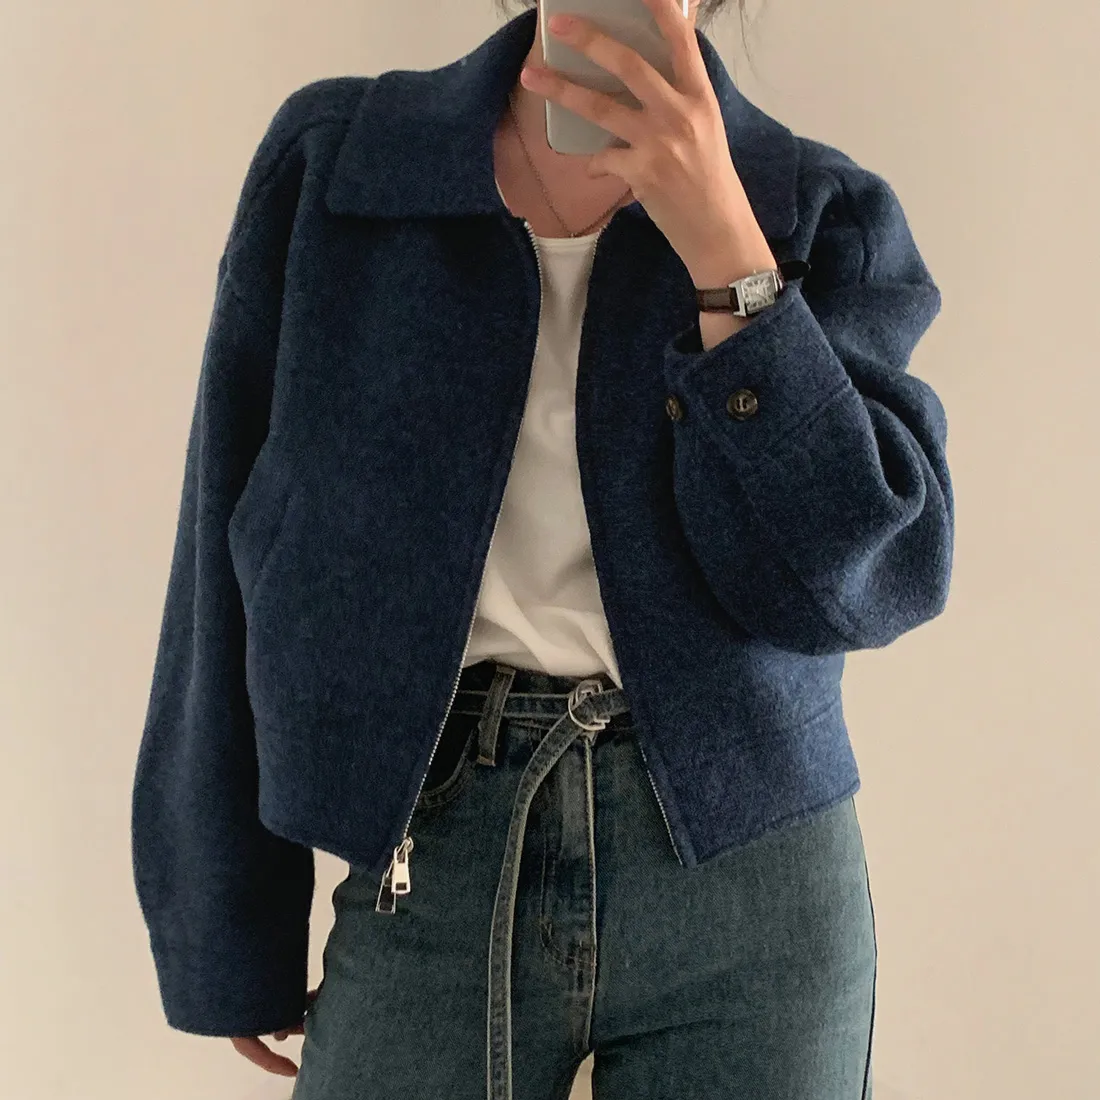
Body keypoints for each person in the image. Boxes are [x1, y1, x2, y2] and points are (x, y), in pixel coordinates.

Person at [130, 2, 953, 1098]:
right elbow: (222, 551)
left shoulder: (816, 210)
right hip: (432, 855)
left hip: (748, 887)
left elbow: (866, 579)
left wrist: (728, 256)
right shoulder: (343, 164)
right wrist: (229, 923)